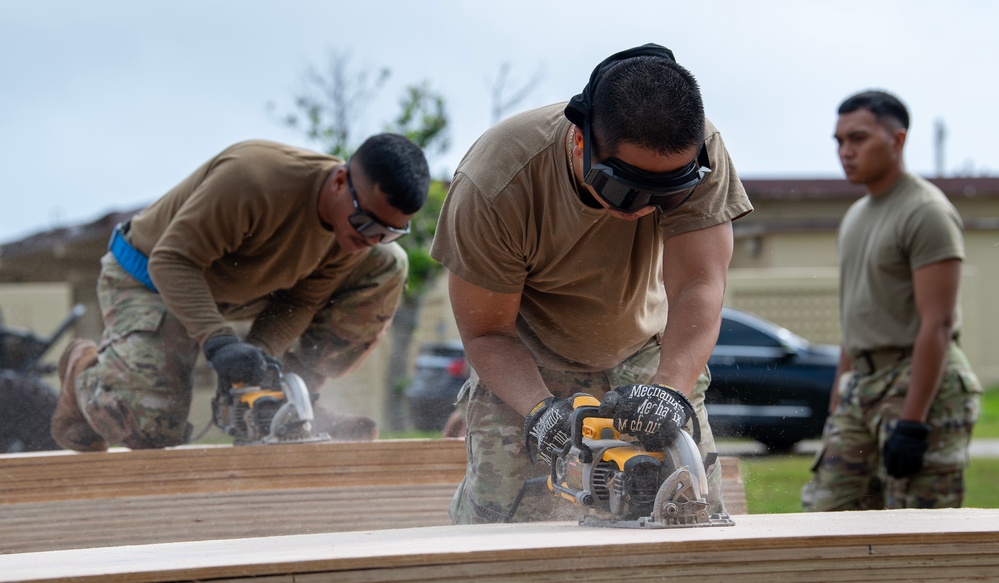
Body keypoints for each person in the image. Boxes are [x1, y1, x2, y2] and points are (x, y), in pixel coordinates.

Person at [430, 43, 753, 524]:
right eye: (624, 187)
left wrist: (669, 390)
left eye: (666, 193)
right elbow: (486, 333)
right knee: (503, 527)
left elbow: (699, 287)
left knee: (689, 513)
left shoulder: (700, 151)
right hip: (527, 354)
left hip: (646, 349)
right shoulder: (495, 182)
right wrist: (539, 410)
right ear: (580, 141)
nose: (644, 206)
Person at [51, 134, 430, 451]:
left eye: (390, 231)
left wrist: (258, 363)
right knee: (152, 428)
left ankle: (296, 400)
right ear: (338, 182)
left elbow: (300, 301)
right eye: (366, 222)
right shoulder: (254, 179)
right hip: (152, 278)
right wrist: (219, 343)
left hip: (242, 289)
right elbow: (170, 262)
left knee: (388, 262)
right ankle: (85, 372)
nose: (372, 238)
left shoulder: (353, 233)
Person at [801, 91, 982, 511]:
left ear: (897, 140)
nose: (845, 151)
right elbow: (855, 318)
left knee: (918, 527)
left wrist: (914, 421)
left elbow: (937, 323)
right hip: (861, 387)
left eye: (858, 138)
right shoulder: (855, 216)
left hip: (917, 381)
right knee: (827, 516)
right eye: (839, 141)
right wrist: (837, 403)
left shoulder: (926, 211)